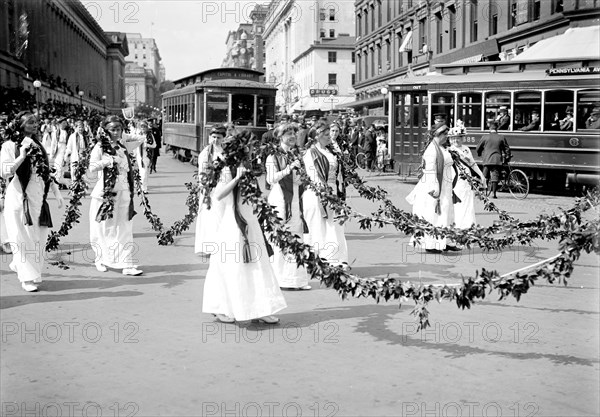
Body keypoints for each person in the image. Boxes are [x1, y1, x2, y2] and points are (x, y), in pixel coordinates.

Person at [202, 130, 287, 324]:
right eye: (249, 147)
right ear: (240, 149)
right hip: (233, 222)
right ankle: (222, 307)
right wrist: (236, 178)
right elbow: (218, 194)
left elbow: (258, 193)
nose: (252, 150)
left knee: (258, 264)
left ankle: (260, 308)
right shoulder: (226, 169)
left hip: (251, 220)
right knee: (232, 266)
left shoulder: (251, 166)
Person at [0, 112, 64, 291]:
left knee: (37, 237)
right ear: (19, 125)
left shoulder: (39, 145)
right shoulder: (9, 145)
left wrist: (56, 192)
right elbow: (5, 172)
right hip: (20, 196)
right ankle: (27, 277)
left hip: (38, 197)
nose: (34, 125)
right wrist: (21, 155)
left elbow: (45, 172)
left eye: (36, 122)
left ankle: (29, 270)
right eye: (29, 122)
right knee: (21, 237)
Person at [87, 115, 146, 275]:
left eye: (119, 129)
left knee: (124, 227)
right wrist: (108, 161)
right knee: (103, 228)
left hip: (124, 191)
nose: (116, 132)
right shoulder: (100, 147)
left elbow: (141, 138)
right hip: (105, 193)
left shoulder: (123, 144)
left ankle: (127, 264)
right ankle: (100, 259)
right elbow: (92, 167)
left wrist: (125, 134)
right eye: (113, 129)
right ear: (106, 130)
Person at [266, 123, 310, 290]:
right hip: (280, 199)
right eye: (288, 134)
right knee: (281, 238)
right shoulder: (273, 156)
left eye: (294, 133)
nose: (292, 136)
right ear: (280, 137)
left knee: (297, 236)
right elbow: (271, 179)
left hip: (295, 199)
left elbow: (299, 179)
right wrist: (289, 168)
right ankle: (280, 279)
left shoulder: (297, 155)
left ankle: (296, 280)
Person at [406, 122, 457, 253]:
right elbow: (430, 171)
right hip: (434, 186)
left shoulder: (441, 148)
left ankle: (445, 241)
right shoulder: (432, 150)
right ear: (439, 134)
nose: (447, 137)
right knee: (435, 214)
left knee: (447, 213)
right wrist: (435, 187)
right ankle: (431, 244)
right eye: (445, 134)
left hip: (445, 185)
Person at [302, 120, 348, 266]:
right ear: (317, 136)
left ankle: (336, 259)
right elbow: (314, 176)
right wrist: (325, 194)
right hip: (319, 192)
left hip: (333, 189)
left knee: (335, 226)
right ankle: (320, 259)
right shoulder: (311, 153)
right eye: (326, 135)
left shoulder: (331, 151)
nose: (330, 137)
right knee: (319, 226)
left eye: (330, 134)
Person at [194, 125, 226, 255]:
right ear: (209, 137)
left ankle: (221, 243)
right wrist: (204, 185)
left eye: (218, 137)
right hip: (210, 188)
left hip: (223, 187)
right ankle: (210, 245)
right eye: (213, 137)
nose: (215, 140)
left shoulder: (226, 152)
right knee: (210, 215)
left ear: (223, 138)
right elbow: (202, 172)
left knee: (222, 214)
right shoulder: (205, 153)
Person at [449, 122, 486, 229]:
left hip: (467, 179)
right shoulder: (450, 150)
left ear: (462, 138)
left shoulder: (466, 148)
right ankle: (459, 226)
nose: (456, 140)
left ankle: (469, 225)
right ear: (450, 139)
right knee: (459, 204)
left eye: (458, 138)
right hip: (456, 179)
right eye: (453, 138)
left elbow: (472, 163)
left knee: (468, 203)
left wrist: (481, 175)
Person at [476, 120, 511, 199]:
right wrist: (507, 156)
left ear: (489, 128)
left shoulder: (485, 137)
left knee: (484, 175)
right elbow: (507, 148)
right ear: (497, 128)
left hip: (487, 159)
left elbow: (478, 148)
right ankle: (494, 194)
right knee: (495, 175)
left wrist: (479, 153)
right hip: (496, 160)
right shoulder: (501, 137)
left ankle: (482, 193)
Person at [134, 121, 156, 193]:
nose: (143, 128)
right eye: (141, 127)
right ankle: (141, 187)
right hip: (139, 156)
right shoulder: (138, 135)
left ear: (147, 127)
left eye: (144, 127)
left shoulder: (150, 135)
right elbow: (134, 145)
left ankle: (144, 188)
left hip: (147, 156)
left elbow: (154, 145)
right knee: (142, 172)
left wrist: (147, 145)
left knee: (145, 172)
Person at [65, 121, 89, 185]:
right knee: (74, 172)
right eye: (79, 127)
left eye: (82, 127)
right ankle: (75, 187)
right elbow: (69, 147)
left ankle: (81, 188)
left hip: (83, 157)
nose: (81, 129)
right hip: (75, 156)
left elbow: (87, 146)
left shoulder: (85, 136)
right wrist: (66, 156)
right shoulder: (72, 136)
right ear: (76, 128)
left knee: (83, 172)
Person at [53, 120, 69, 188]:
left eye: (65, 123)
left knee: (63, 167)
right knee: (58, 166)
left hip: (65, 149)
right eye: (63, 123)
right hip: (58, 149)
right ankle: (57, 181)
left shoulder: (67, 132)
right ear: (60, 124)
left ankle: (61, 183)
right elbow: (53, 143)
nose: (65, 125)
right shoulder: (56, 132)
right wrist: (52, 153)